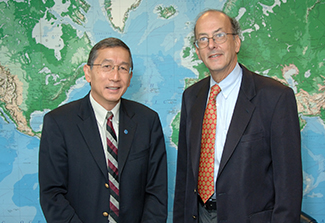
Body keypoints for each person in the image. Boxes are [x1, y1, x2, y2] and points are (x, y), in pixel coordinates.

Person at [173, 9, 302, 223]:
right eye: (203, 39)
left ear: (237, 43)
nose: (211, 44)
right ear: (197, 51)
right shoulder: (191, 97)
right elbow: (185, 174)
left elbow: (289, 183)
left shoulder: (275, 97)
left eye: (219, 35)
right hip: (199, 215)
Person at [39, 37, 167, 223]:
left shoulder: (147, 121)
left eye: (123, 68)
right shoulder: (58, 123)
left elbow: (157, 191)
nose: (115, 77)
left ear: (130, 77)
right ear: (88, 72)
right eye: (106, 66)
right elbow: (52, 194)